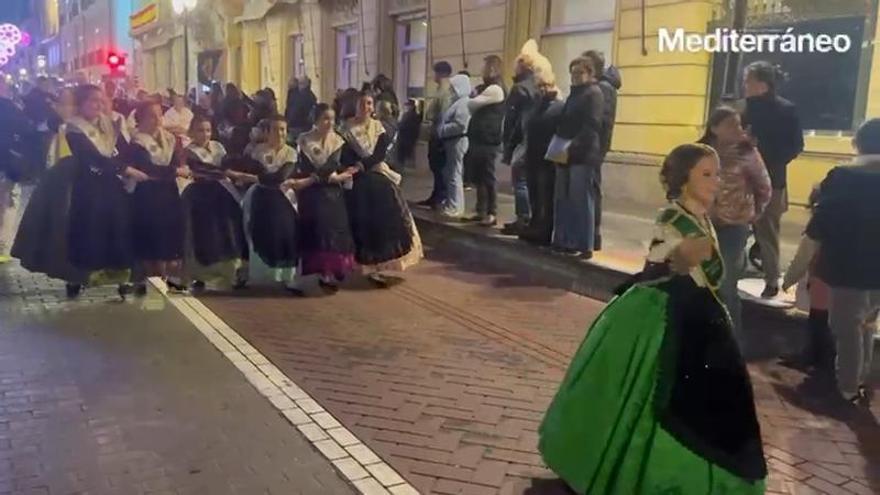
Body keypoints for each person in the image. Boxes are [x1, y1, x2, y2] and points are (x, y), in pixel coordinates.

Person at [539, 143, 766, 494]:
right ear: (683, 178)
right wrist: (676, 256)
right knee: (659, 390)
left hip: (704, 314)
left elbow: (710, 275)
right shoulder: (672, 216)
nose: (715, 181)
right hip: (666, 313)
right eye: (706, 174)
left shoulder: (703, 218)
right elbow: (657, 263)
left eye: (717, 174)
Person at [797, 118, 880, 406]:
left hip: (848, 265)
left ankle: (846, 388)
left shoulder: (843, 175)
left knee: (846, 329)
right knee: (867, 323)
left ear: (858, 142)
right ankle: (859, 379)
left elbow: (823, 221)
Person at [66, 85, 150, 298]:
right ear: (81, 104)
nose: (99, 104)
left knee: (117, 229)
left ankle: (120, 277)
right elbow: (91, 158)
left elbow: (122, 150)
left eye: (101, 100)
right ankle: (79, 276)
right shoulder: (75, 129)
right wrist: (125, 169)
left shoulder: (110, 124)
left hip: (112, 186)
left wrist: (134, 161)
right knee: (89, 231)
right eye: (93, 100)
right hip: (88, 187)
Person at [700, 106, 771, 344]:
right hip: (702, 224)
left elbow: (764, 187)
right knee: (701, 280)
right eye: (731, 125)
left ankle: (732, 343)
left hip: (734, 227)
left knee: (727, 282)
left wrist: (753, 214)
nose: (737, 130)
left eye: (739, 124)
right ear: (714, 128)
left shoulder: (748, 153)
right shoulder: (700, 152)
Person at [341, 91, 423, 287]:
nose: (367, 108)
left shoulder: (379, 129)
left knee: (385, 221)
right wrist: (354, 168)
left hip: (377, 178)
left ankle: (380, 264)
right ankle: (359, 264)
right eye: (363, 104)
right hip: (357, 182)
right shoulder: (345, 129)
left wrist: (362, 165)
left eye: (370, 104)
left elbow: (378, 154)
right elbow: (345, 155)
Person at [12, 88, 88, 293]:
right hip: (57, 182)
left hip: (80, 182)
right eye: (62, 103)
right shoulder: (54, 127)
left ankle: (77, 272)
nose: (66, 108)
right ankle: (70, 273)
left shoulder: (85, 127)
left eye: (70, 104)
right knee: (58, 229)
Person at [742, 61, 804, 298]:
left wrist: (765, 156)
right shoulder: (741, 108)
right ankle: (761, 276)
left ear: (762, 84)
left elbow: (795, 145)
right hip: (745, 179)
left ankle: (771, 279)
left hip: (769, 180)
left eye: (748, 80)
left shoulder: (785, 110)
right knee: (745, 229)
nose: (744, 85)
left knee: (767, 232)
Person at [295, 104, 358, 292]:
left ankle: (331, 270)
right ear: (315, 120)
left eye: (331, 118)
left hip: (332, 194)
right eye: (325, 118)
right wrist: (327, 178)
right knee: (315, 231)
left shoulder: (337, 141)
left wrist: (330, 177)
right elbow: (305, 166)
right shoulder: (304, 140)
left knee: (334, 231)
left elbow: (331, 165)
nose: (329, 122)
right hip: (311, 194)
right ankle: (315, 269)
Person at [128, 101, 189, 294]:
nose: (157, 120)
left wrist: (176, 170)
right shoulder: (137, 142)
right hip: (147, 194)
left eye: (159, 115)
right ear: (142, 119)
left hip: (168, 193)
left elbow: (180, 161)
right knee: (151, 236)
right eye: (152, 116)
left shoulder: (170, 139)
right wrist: (175, 171)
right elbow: (147, 168)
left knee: (169, 234)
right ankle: (149, 278)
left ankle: (169, 277)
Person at [181, 116, 247, 291]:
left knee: (229, 231)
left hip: (222, 194)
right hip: (201, 195)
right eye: (200, 130)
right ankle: (201, 275)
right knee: (205, 234)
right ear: (192, 132)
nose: (205, 134)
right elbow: (204, 170)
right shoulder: (189, 151)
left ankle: (232, 272)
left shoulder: (218, 147)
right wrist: (231, 173)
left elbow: (228, 164)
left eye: (208, 130)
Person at [551, 56, 604, 259]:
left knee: (580, 199)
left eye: (579, 73)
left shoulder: (594, 94)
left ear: (590, 74)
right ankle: (565, 240)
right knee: (563, 198)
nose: (574, 77)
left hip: (582, 154)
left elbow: (592, 125)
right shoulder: (574, 94)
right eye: (572, 73)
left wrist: (573, 145)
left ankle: (584, 243)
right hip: (564, 151)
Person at [240, 115, 301, 291]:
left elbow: (280, 177)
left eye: (282, 129)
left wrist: (261, 177)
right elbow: (261, 174)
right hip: (261, 198)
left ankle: (287, 277)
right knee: (260, 234)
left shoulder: (291, 152)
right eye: (275, 129)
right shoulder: (258, 151)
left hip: (283, 200)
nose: (279, 133)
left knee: (286, 235)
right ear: (267, 132)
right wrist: (262, 177)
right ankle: (259, 274)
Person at [500, 41, 543, 235]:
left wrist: (507, 144)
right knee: (531, 180)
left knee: (520, 180)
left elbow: (511, 119)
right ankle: (532, 218)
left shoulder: (519, 88)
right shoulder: (539, 84)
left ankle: (522, 218)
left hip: (522, 139)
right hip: (536, 139)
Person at [581, 50, 622, 251]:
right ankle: (590, 234)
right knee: (591, 188)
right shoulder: (604, 87)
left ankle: (593, 234)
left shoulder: (603, 89)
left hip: (595, 147)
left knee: (592, 189)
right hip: (596, 146)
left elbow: (600, 121)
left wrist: (595, 147)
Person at [519, 78, 564, 245]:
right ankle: (534, 225)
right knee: (535, 195)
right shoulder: (537, 106)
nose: (544, 89)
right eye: (541, 86)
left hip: (547, 158)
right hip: (533, 156)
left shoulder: (559, 107)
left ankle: (544, 231)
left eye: (547, 86)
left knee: (545, 196)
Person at [464, 55, 506, 227]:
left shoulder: (495, 89)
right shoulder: (487, 88)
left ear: (492, 69)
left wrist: (474, 96)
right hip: (480, 138)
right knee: (480, 177)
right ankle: (481, 211)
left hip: (488, 139)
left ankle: (491, 212)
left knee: (487, 177)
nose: (481, 71)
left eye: (484, 67)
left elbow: (471, 104)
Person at [0, 80, 36, 264]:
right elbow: (26, 128)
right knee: (8, 205)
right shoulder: (9, 107)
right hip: (7, 163)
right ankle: (2, 246)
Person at [417, 61, 454, 208]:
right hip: (436, 132)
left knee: (439, 166)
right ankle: (436, 194)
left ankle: (440, 196)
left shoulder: (445, 91)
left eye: (435, 73)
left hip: (439, 134)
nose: (434, 76)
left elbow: (443, 113)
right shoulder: (441, 89)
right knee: (435, 166)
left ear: (440, 74)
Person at [436, 74, 472, 219]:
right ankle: (453, 204)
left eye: (453, 88)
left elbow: (460, 125)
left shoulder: (463, 103)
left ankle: (455, 206)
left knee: (454, 174)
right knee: (451, 173)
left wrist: (442, 130)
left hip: (457, 141)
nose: (450, 90)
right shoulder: (457, 102)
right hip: (452, 141)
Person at [285, 76, 318, 140]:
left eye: (301, 83)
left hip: (299, 126)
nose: (299, 86)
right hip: (301, 126)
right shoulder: (309, 96)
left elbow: (294, 111)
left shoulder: (302, 96)